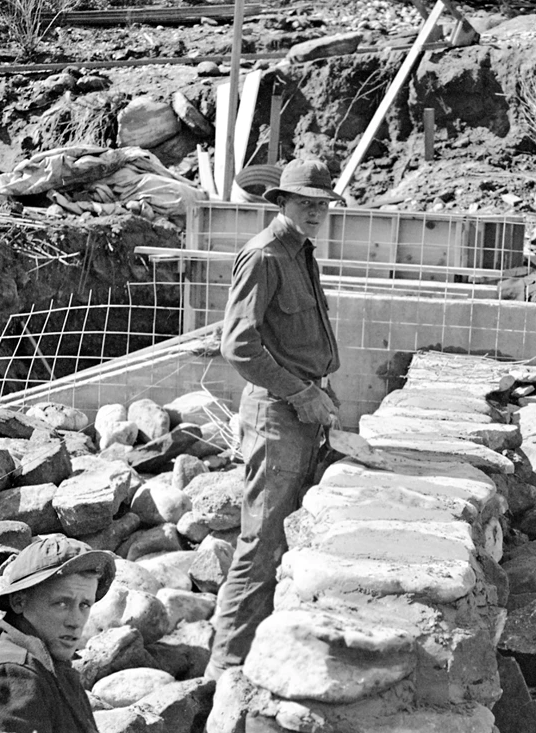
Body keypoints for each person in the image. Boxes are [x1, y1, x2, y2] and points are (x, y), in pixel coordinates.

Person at [205, 158, 342, 680]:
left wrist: (318, 392)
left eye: (322, 204)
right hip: (278, 413)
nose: (315, 212)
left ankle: (257, 651)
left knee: (284, 536)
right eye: (305, 203)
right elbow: (238, 346)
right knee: (261, 543)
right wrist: (300, 392)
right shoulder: (265, 254)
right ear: (282, 202)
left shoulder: (299, 251)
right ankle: (224, 667)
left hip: (303, 407)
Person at [0, 535, 115, 733]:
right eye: (62, 603)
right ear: (19, 601)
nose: (76, 620)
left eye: (85, 605)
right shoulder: (11, 676)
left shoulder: (50, 670)